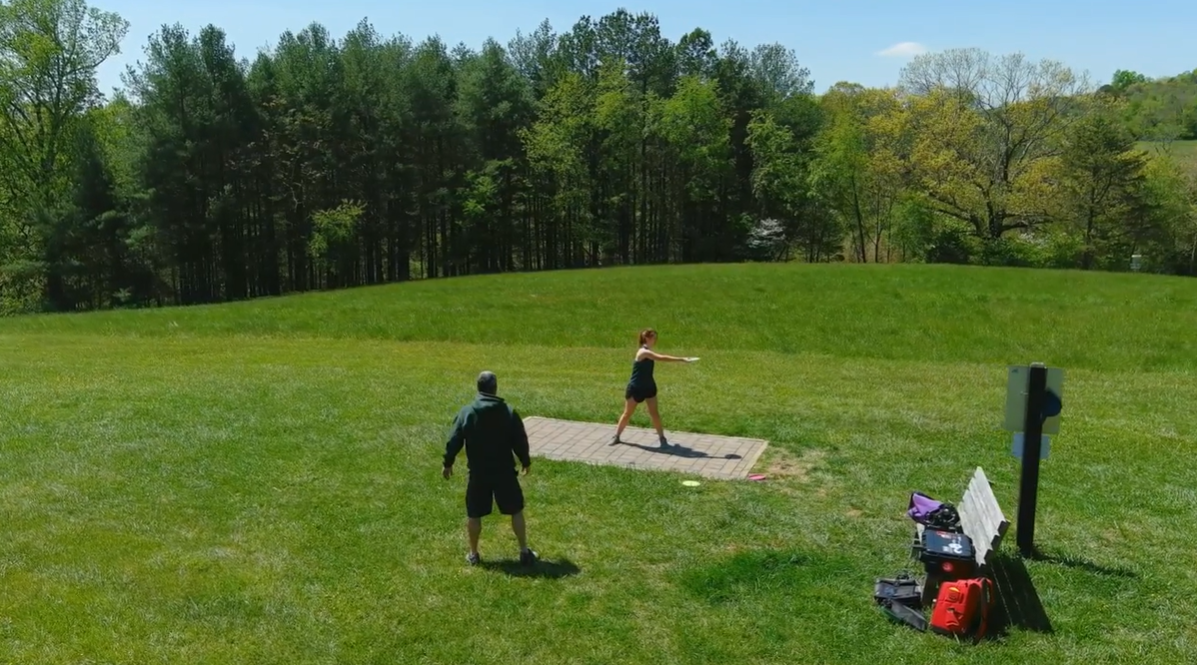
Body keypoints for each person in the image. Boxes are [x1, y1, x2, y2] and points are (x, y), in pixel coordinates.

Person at [442, 370, 537, 566]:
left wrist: (448, 462)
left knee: (474, 513)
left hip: (478, 473)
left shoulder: (467, 412)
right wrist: (525, 461)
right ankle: (523, 551)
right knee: (516, 510)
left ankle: (474, 554)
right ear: (495, 388)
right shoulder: (508, 412)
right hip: (505, 472)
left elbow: (454, 439)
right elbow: (520, 440)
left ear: (478, 387)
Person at [611, 328, 697, 447]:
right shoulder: (643, 352)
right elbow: (661, 357)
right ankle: (617, 436)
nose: (655, 340)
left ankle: (662, 439)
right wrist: (681, 359)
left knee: (654, 413)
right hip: (636, 387)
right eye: (653, 338)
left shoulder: (648, 351)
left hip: (649, 387)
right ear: (647, 338)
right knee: (627, 413)